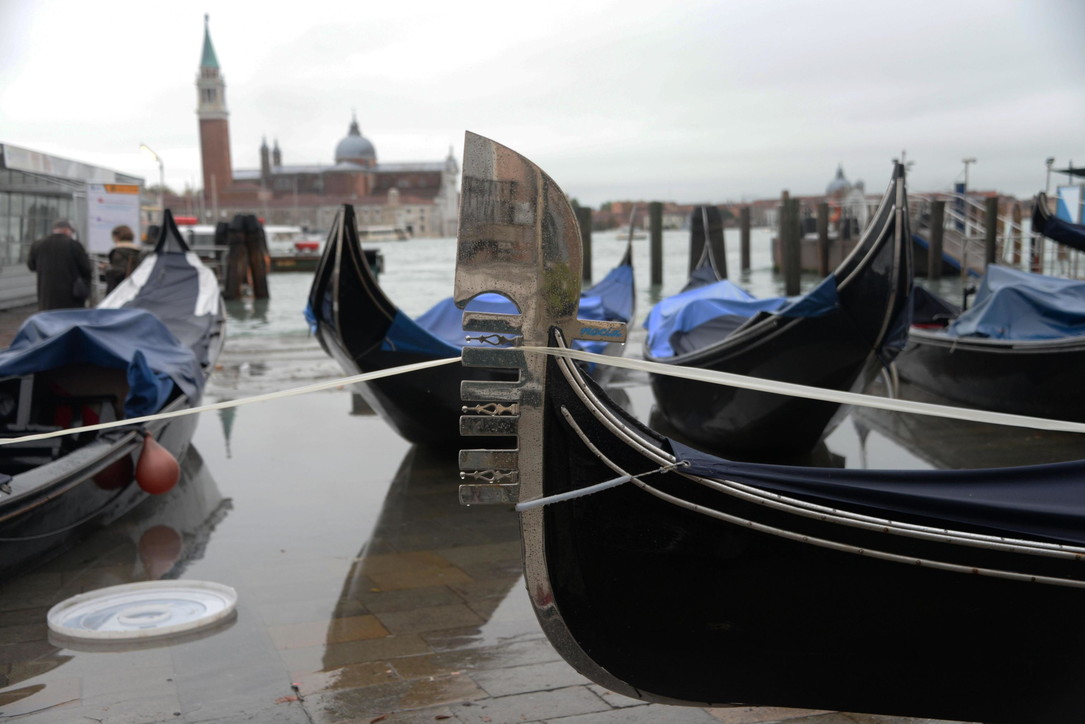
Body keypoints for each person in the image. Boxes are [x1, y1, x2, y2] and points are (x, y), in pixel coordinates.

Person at [27, 219, 93, 310]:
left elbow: (31, 266)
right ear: (67, 230)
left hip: (46, 297)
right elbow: (86, 269)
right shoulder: (74, 245)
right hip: (70, 298)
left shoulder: (37, 245)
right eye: (71, 232)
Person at [103, 224, 142, 294]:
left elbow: (117, 272)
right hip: (135, 288)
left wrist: (107, 268)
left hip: (119, 290)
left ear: (117, 237)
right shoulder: (138, 252)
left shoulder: (117, 252)